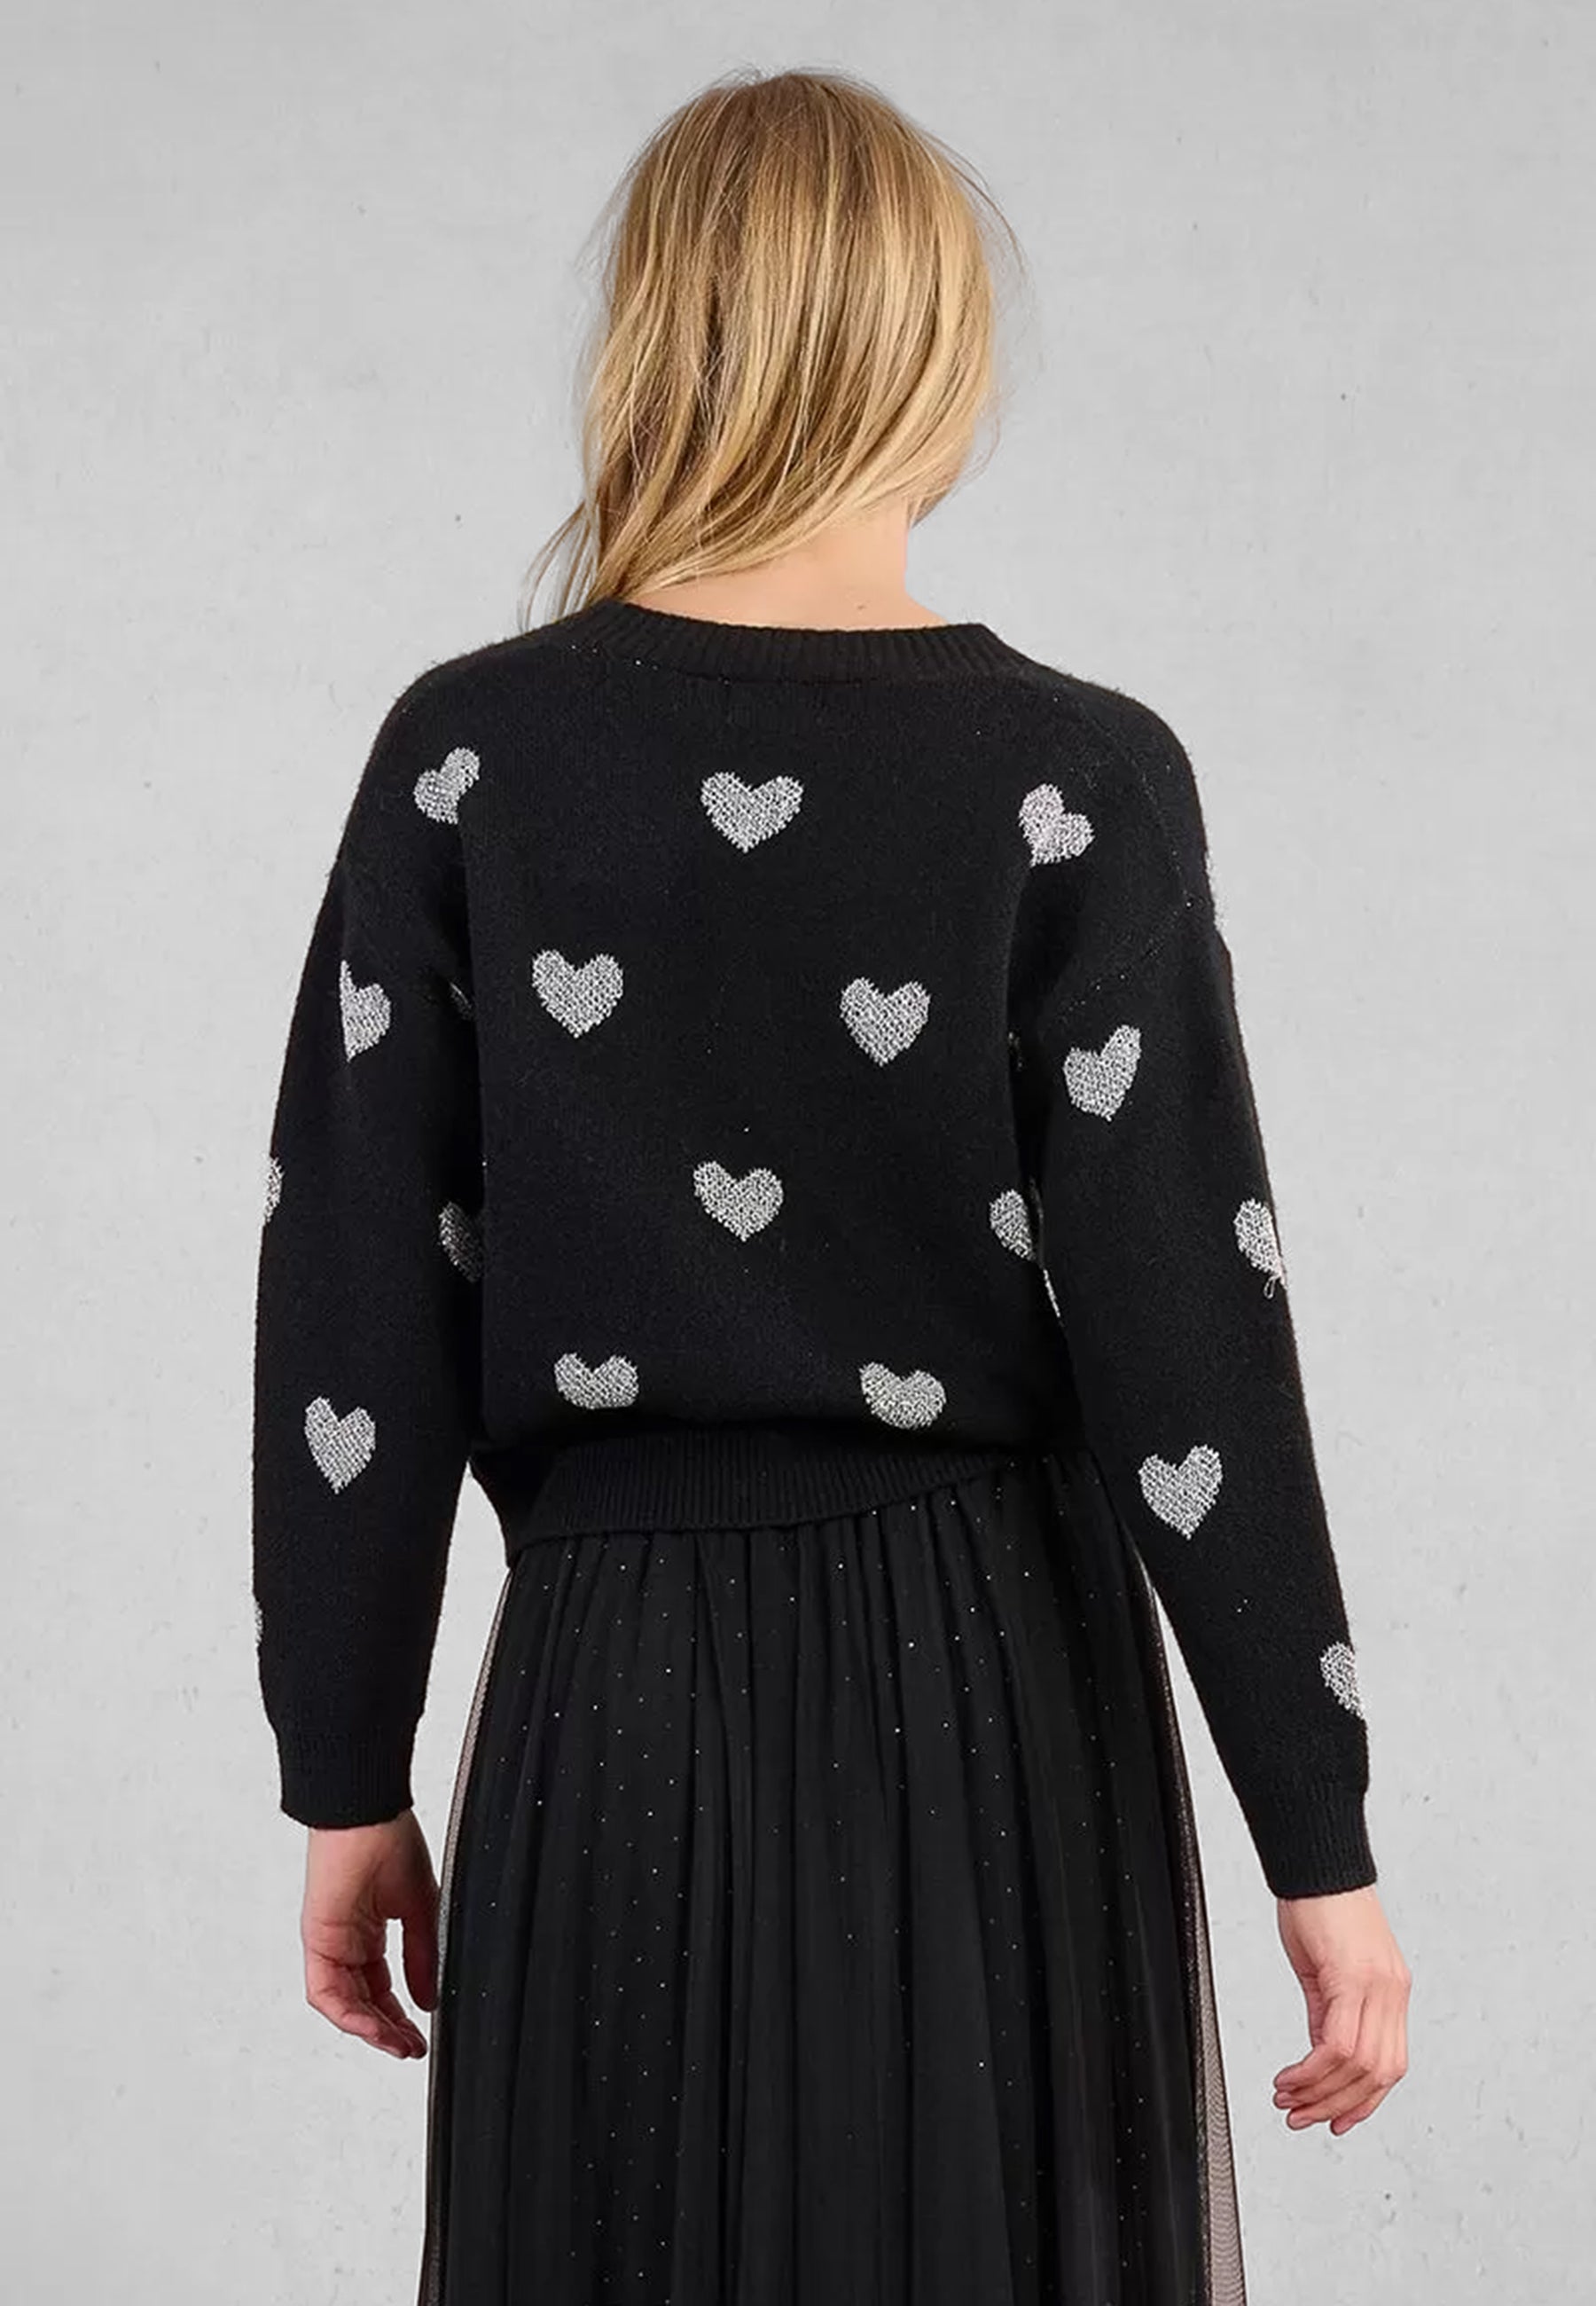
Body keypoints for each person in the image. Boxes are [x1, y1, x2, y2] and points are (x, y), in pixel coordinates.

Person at [250, 63, 1410, 2306]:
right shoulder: (1074, 778)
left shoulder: (468, 758)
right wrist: (1321, 1837)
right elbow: (1189, 1332)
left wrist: (347, 1770)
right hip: (997, 1691)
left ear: (652, 341)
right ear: (934, 355)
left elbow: (355, 1295)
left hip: (612, 1688)